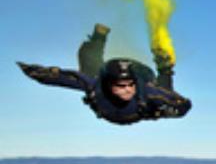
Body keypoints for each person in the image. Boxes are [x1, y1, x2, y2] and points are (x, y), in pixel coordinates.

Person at [16, 23, 191, 123]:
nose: (128, 90)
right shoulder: (95, 84)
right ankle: (99, 36)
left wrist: (174, 110)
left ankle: (164, 65)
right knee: (89, 64)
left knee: (158, 95)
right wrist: (35, 72)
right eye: (121, 86)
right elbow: (62, 78)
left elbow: (179, 103)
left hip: (144, 84)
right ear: (109, 85)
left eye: (130, 85)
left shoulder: (146, 91)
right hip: (109, 81)